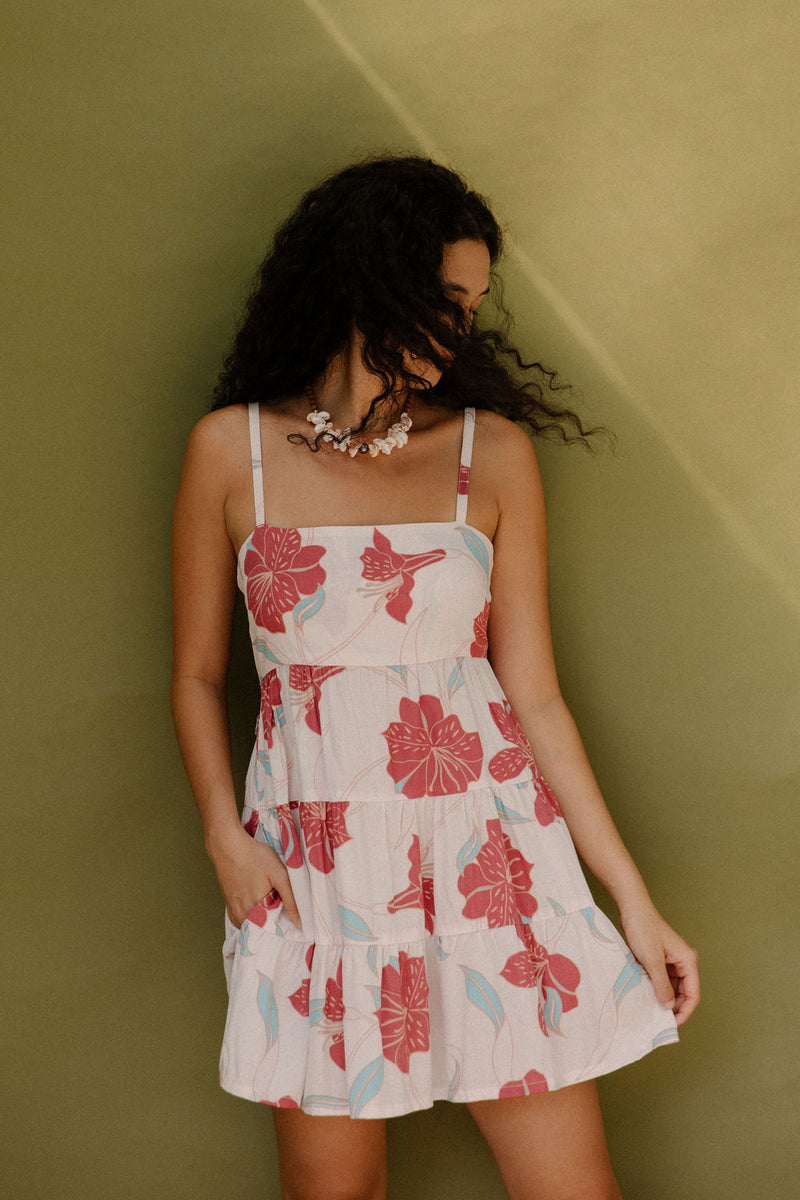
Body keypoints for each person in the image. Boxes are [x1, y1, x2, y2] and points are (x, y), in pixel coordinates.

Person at [171, 155, 700, 1200]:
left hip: (489, 857)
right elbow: (194, 675)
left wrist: (629, 903)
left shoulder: (487, 454)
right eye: (444, 300)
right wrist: (222, 836)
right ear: (369, 280)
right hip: (314, 870)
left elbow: (532, 695)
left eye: (471, 308)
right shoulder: (231, 454)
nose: (459, 330)